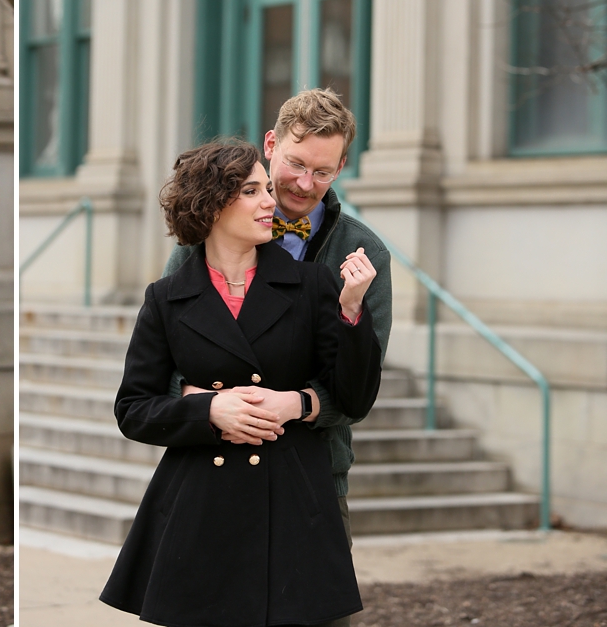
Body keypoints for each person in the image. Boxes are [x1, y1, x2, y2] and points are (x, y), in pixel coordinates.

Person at [101, 140, 382, 627]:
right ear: (212, 203)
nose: (270, 201)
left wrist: (352, 310)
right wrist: (208, 411)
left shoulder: (313, 283)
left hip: (295, 500)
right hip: (201, 507)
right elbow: (133, 408)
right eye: (252, 190)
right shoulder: (167, 298)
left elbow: (354, 397)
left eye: (266, 189)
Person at [165, 88, 392, 581]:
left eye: (324, 172)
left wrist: (298, 403)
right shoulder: (206, 233)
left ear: (342, 167)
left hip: (314, 474)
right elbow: (164, 363)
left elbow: (359, 388)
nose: (305, 184)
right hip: (212, 465)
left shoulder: (364, 252)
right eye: (295, 164)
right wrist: (203, 404)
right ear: (270, 144)